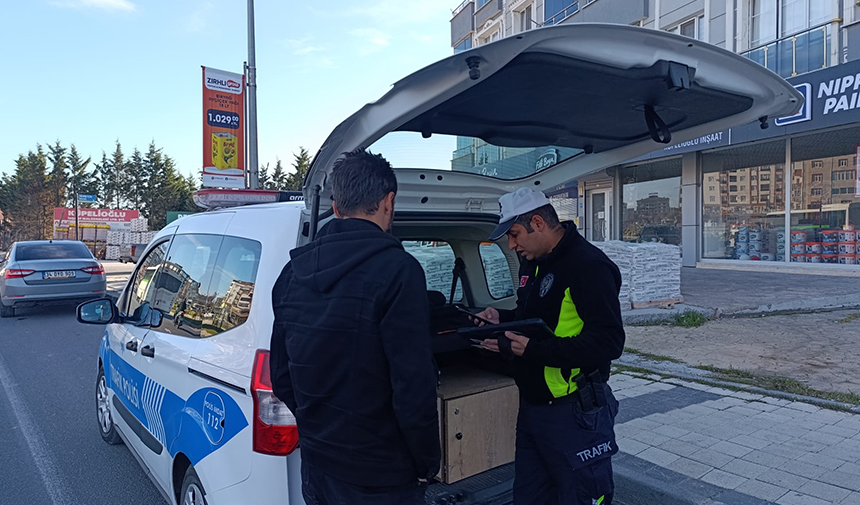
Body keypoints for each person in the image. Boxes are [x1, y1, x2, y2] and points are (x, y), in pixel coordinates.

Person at [269, 148, 440, 505]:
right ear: (388, 202)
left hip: (317, 465)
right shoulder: (399, 271)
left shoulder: (291, 274)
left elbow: (282, 375)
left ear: (336, 207)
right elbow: (413, 386)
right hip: (381, 475)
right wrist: (427, 461)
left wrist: (316, 428)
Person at [474, 187, 625, 505]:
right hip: (533, 408)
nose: (512, 245)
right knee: (529, 497)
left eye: (515, 235)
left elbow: (609, 342)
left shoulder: (589, 266)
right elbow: (533, 319)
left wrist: (534, 351)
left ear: (539, 223)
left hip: (575, 411)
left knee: (582, 497)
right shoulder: (533, 262)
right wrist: (499, 318)